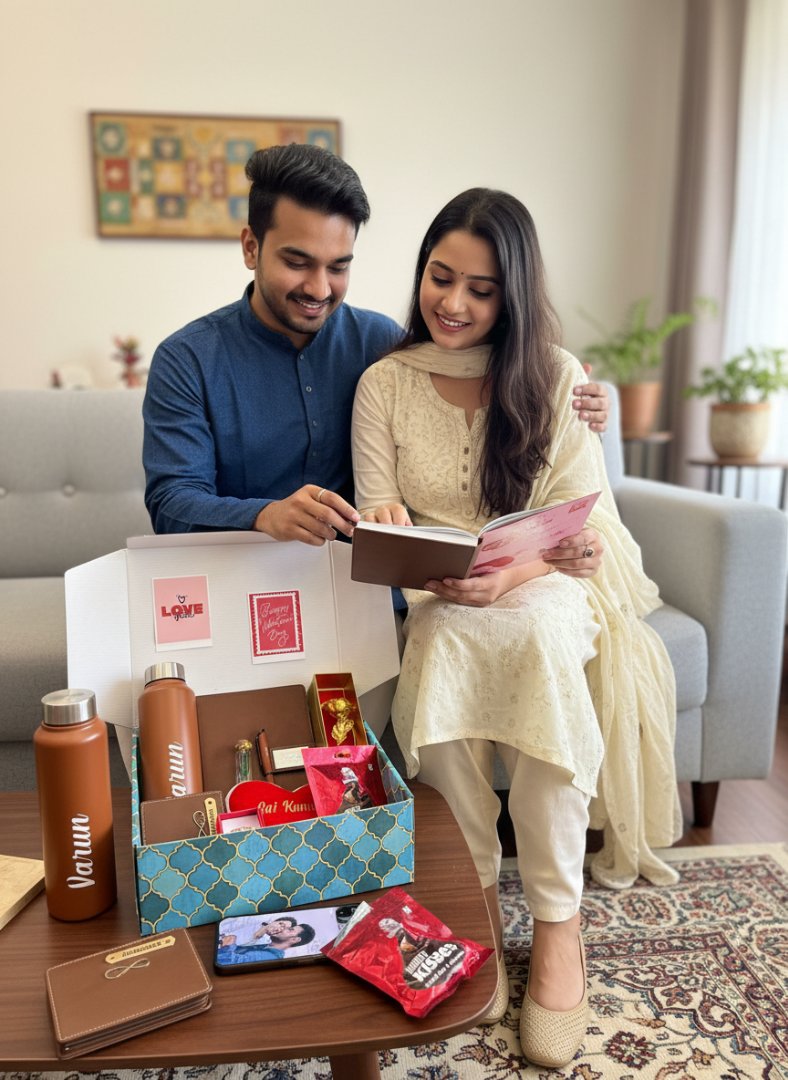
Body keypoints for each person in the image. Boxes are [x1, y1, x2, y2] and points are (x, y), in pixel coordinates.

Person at [350, 188, 681, 1069]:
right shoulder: (384, 383)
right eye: (440, 277)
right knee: (441, 643)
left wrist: (515, 573)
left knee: (532, 642)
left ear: (515, 294)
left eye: (482, 289)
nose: (453, 303)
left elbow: (582, 519)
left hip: (544, 584)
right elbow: (379, 507)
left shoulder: (559, 376)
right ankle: (474, 902)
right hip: (438, 593)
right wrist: (390, 522)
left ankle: (558, 922)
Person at [142, 143, 609, 543]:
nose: (319, 288)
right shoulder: (187, 360)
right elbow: (170, 504)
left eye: (338, 266)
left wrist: (582, 405)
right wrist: (265, 516)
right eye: (297, 263)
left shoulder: (382, 344)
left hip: (365, 587)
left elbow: (482, 378)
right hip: (241, 574)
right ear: (251, 247)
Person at [217, 917, 316, 965]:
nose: (281, 929)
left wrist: (229, 945)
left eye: (290, 929)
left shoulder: (270, 956)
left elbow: (226, 961)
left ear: (295, 939)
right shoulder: (265, 945)